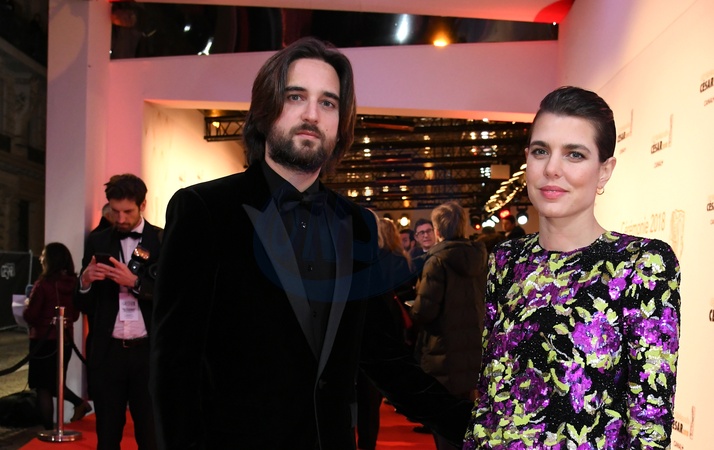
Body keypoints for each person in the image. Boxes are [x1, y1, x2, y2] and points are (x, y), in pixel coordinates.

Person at [150, 37, 471, 450]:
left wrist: (478, 426)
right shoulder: (204, 210)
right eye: (295, 96)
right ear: (265, 109)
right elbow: (174, 367)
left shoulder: (356, 224)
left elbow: (383, 355)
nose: (311, 114)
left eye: (328, 103)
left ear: (341, 123)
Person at [464, 86, 681, 449]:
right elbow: (489, 395)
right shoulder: (506, 259)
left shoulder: (642, 263)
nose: (552, 169)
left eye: (574, 154)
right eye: (540, 151)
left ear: (604, 171)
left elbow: (650, 421)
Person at [75, 174, 162, 450]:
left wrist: (135, 283)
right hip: (108, 353)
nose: (121, 219)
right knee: (107, 434)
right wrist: (85, 282)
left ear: (143, 205)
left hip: (147, 353)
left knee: (150, 434)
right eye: (115, 211)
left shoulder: (161, 239)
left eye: (128, 212)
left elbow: (175, 295)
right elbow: (84, 305)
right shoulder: (97, 241)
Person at [409, 201, 487, 450]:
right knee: (466, 421)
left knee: (443, 424)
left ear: (438, 229)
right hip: (473, 348)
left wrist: (412, 306)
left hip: (443, 351)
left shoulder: (437, 261)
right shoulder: (478, 258)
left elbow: (425, 311)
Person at [23, 243, 92, 430]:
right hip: (65, 341)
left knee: (43, 387)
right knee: (55, 384)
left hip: (42, 342)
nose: (41, 259)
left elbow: (31, 315)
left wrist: (27, 305)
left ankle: (48, 429)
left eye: (43, 255)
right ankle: (79, 404)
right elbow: (75, 315)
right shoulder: (74, 283)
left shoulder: (43, 284)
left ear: (50, 260)